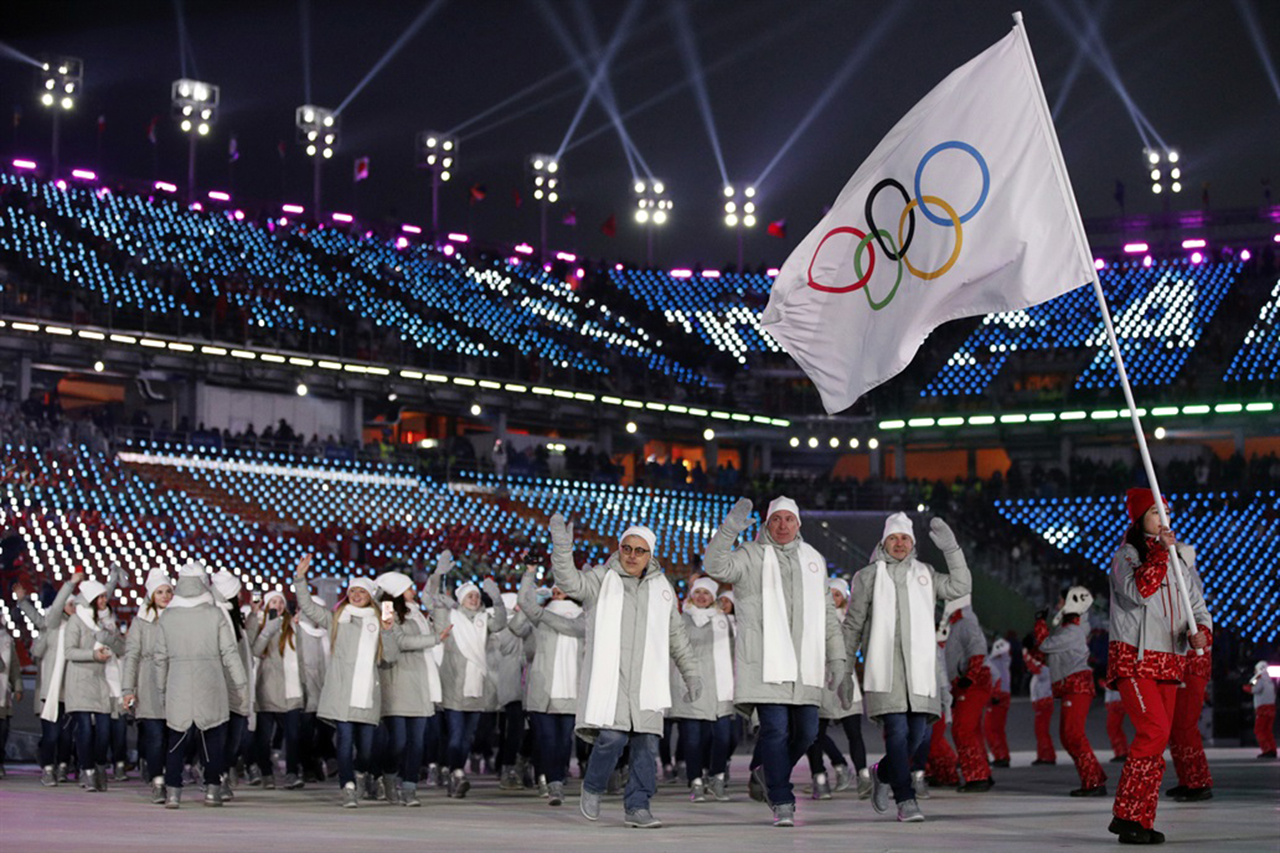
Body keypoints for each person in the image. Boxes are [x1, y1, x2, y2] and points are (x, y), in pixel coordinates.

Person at [550, 514, 701, 830]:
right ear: (619, 549)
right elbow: (568, 582)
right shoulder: (601, 579)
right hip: (612, 679)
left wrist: (692, 674)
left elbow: (676, 637)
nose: (632, 555)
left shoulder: (662, 589)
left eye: (640, 550)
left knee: (647, 745)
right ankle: (593, 785)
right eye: (627, 548)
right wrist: (562, 548)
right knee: (613, 737)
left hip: (648, 680)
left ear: (651, 555)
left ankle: (638, 806)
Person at [703, 497, 847, 827]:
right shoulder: (751, 556)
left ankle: (768, 772)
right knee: (775, 731)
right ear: (767, 524)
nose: (782, 525)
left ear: (799, 524)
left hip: (805, 664)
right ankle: (782, 799)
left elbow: (827, 612)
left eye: (789, 519)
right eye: (776, 519)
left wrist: (837, 654)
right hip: (766, 662)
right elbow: (715, 566)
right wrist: (729, 530)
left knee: (808, 733)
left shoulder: (814, 559)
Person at [846, 512, 972, 823]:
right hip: (885, 671)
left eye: (905, 538)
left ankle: (883, 771)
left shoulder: (925, 574)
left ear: (912, 543)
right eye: (894, 538)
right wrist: (844, 665)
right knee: (898, 733)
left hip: (920, 673)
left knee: (915, 738)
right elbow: (852, 624)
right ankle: (906, 799)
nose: (899, 543)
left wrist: (951, 549)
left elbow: (960, 586)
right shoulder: (868, 577)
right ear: (884, 542)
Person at [1106, 488, 1212, 846]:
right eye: (1154, 511)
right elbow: (1139, 592)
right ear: (1139, 519)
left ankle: (1136, 817)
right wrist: (1161, 554)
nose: (1162, 517)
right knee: (1152, 732)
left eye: (1165, 510)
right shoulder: (1127, 556)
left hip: (1170, 660)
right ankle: (1129, 814)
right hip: (1135, 659)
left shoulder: (1179, 561)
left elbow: (1198, 609)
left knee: (1158, 738)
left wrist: (1202, 635)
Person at [293, 554, 400, 808]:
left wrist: (389, 629)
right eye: (353, 591)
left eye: (362, 591)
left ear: (370, 596)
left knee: (365, 749)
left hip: (366, 695)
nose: (356, 595)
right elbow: (308, 607)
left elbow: (391, 657)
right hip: (342, 693)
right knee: (343, 742)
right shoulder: (336, 619)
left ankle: (361, 774)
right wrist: (300, 578)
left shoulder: (379, 620)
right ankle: (348, 786)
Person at [154, 560, 249, 808]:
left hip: (178, 680)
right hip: (211, 680)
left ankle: (173, 790)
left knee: (176, 738)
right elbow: (229, 652)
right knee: (212, 739)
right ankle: (212, 789)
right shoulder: (214, 613)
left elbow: (160, 658)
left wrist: (161, 687)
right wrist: (240, 682)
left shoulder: (168, 616)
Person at [424, 551, 508, 799]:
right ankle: (457, 772)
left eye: (476, 595)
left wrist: (498, 600)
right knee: (456, 736)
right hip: (453, 687)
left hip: (476, 688)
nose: (473, 599)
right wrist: (438, 575)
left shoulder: (484, 619)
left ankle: (454, 771)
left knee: (467, 738)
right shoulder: (450, 618)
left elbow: (501, 623)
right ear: (460, 600)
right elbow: (429, 600)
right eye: (468, 596)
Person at [375, 570, 449, 807]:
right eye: (408, 587)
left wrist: (435, 603)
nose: (413, 591)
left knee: (417, 741)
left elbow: (440, 630)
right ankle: (387, 776)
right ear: (397, 590)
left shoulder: (417, 612)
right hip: (397, 680)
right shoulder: (386, 610)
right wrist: (434, 640)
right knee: (398, 740)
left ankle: (409, 787)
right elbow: (400, 642)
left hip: (419, 680)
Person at [517, 569, 586, 806]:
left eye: (563, 589)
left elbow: (579, 633)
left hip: (572, 688)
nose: (558, 593)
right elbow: (521, 613)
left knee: (564, 741)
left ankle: (556, 780)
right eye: (555, 589)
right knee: (546, 739)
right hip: (544, 688)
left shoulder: (585, 618)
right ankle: (551, 781)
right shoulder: (541, 615)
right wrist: (529, 576)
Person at [1031, 587, 1107, 796]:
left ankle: (1093, 783)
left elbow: (1046, 645)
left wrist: (1040, 623)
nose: (1057, 606)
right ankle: (1094, 778)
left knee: (1073, 734)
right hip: (1072, 686)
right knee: (1068, 735)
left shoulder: (1072, 631)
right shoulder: (1070, 629)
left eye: (1060, 601)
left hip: (1076, 686)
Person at [671, 576, 736, 803]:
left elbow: (734, 651)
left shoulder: (723, 621)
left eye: (706, 593)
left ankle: (716, 777)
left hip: (720, 686)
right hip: (691, 685)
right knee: (692, 739)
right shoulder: (680, 620)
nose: (701, 597)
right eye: (697, 592)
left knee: (723, 737)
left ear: (713, 597)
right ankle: (696, 780)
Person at [806, 577, 871, 800]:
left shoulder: (850, 621)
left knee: (854, 732)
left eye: (837, 595)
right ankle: (820, 777)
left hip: (844, 679)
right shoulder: (812, 619)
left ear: (844, 599)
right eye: (829, 594)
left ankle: (863, 775)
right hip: (819, 681)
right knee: (814, 733)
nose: (833, 599)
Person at [61, 577, 124, 793]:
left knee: (105, 731)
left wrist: (108, 637)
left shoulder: (107, 621)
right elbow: (69, 651)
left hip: (103, 681)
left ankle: (98, 767)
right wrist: (93, 654)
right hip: (80, 680)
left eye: (106, 597)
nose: (105, 600)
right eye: (101, 597)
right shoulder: (76, 621)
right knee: (86, 729)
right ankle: (87, 771)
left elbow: (120, 647)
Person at [18, 573, 82, 786]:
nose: (72, 607)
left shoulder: (79, 628)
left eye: (75, 604)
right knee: (51, 734)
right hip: (51, 691)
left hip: (71, 691)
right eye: (69, 604)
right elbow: (40, 620)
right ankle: (48, 768)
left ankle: (63, 766)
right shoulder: (53, 626)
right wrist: (22, 601)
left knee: (66, 736)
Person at [1166, 546, 1215, 801]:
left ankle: (1198, 781)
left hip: (1192, 663)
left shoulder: (1187, 581)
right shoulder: (1180, 579)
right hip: (1182, 661)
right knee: (1177, 726)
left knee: (1184, 724)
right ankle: (1187, 779)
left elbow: (1198, 619)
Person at [121, 568, 174, 803]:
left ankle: (172, 778)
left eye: (168, 591)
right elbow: (131, 655)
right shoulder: (141, 621)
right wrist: (127, 689)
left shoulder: (180, 617)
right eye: (159, 592)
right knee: (154, 735)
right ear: (151, 595)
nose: (164, 596)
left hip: (176, 681)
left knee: (174, 736)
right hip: (149, 681)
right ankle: (158, 781)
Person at [251, 590, 306, 790]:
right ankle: (266, 772)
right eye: (273, 601)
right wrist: (267, 629)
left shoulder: (292, 625)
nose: (277, 605)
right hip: (267, 688)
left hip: (290, 689)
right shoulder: (259, 625)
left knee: (292, 735)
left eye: (280, 602)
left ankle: (292, 773)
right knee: (264, 736)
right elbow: (255, 651)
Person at [942, 591, 994, 793]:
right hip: (966, 683)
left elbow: (978, 649)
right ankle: (982, 772)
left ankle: (976, 776)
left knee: (962, 729)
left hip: (972, 683)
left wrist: (969, 677)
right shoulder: (956, 623)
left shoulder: (966, 623)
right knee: (971, 730)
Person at [211, 570, 256, 798]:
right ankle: (217, 778)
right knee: (221, 736)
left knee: (234, 737)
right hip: (221, 685)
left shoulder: (235, 618)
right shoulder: (215, 614)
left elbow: (249, 651)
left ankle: (222, 773)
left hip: (239, 685)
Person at [296, 592, 333, 782]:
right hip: (307, 690)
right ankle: (309, 766)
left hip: (325, 690)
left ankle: (320, 759)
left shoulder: (327, 634)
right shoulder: (298, 631)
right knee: (306, 733)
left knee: (326, 731)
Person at [0, 602, 24, 779]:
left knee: (2, 731)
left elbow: (13, 665)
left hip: (2, 694)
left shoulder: (6, 639)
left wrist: (18, 686)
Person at [984, 638, 1012, 768]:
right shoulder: (1003, 660)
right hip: (1003, 694)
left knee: (991, 728)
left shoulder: (991, 661)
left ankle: (1000, 756)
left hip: (997, 696)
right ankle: (1002, 755)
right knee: (997, 729)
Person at [1026, 648, 1057, 765]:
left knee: (1042, 731)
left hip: (1044, 703)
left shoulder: (1044, 671)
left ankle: (1048, 756)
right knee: (1040, 731)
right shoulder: (1042, 671)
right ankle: (1042, 755)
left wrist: (1027, 659)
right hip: (1041, 703)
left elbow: (1034, 669)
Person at [1244, 661, 1276, 759]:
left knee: (1259, 730)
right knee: (1268, 731)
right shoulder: (1270, 680)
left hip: (1262, 709)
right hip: (1272, 708)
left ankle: (1267, 750)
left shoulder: (1260, 678)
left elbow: (1253, 689)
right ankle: (1272, 749)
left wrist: (1245, 688)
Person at [1105, 688, 1129, 763]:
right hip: (1116, 700)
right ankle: (1122, 752)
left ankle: (1122, 752)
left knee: (1113, 727)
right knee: (1113, 727)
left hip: (1118, 700)